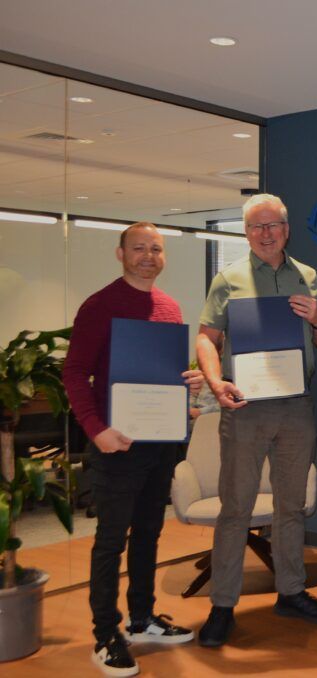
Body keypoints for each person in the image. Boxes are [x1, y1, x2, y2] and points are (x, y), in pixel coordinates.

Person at [196, 193, 317, 647]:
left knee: (290, 506)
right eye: (256, 226)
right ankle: (222, 605)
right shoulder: (228, 279)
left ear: (287, 228)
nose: (265, 233)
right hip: (244, 407)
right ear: (246, 232)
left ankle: (291, 592)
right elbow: (206, 337)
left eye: (273, 224)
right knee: (236, 508)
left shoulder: (308, 277)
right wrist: (216, 382)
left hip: (296, 406)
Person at [63, 222, 204, 677]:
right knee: (110, 541)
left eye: (156, 249)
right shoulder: (99, 305)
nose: (148, 256)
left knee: (148, 535)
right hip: (116, 445)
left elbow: (163, 375)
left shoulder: (169, 306)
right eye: (139, 248)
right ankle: (106, 633)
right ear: (120, 253)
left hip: (159, 444)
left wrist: (188, 390)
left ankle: (142, 619)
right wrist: (96, 429)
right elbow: (74, 374)